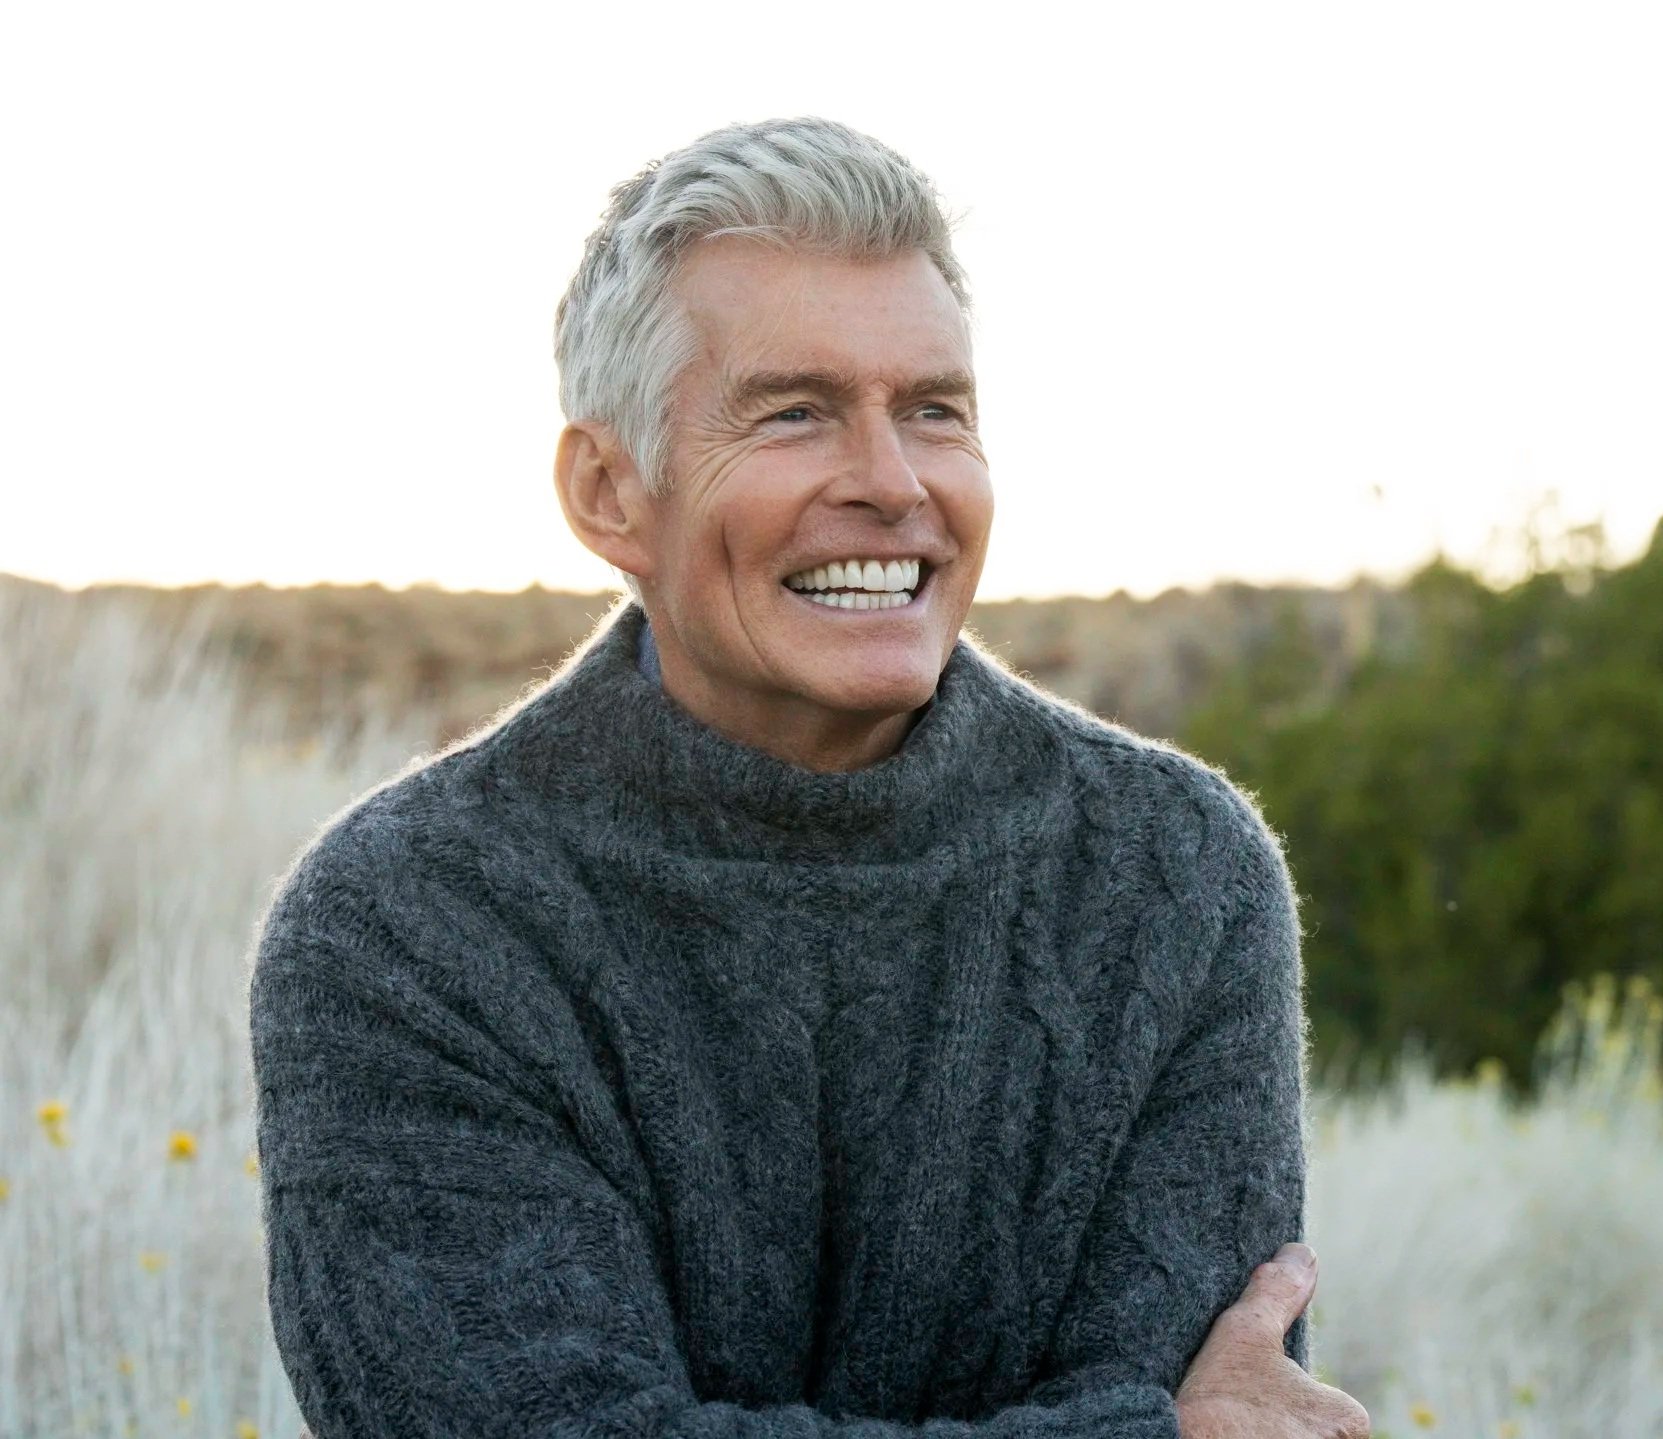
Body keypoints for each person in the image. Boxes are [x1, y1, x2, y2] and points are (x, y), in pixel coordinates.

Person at [251, 116, 1369, 1439]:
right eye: (796, 413)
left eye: (935, 411)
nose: (894, 485)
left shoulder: (1173, 873)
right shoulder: (408, 926)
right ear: (610, 490)